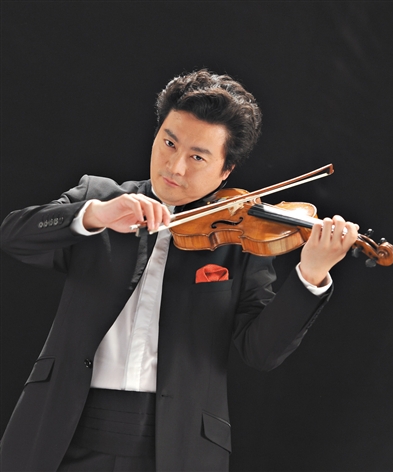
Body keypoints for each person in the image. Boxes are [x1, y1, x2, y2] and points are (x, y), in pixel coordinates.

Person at [0, 69, 359, 472]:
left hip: (176, 442)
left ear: (226, 171)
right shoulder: (100, 199)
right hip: (63, 425)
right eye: (169, 143)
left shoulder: (239, 241)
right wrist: (95, 215)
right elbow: (13, 236)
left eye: (197, 157)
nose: (175, 166)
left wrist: (311, 274)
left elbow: (260, 352)